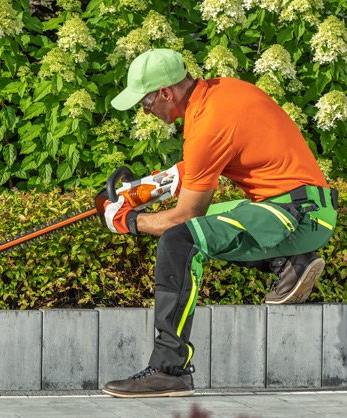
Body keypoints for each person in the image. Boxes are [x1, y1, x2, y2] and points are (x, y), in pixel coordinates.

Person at [101, 48, 338, 398]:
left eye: (145, 102)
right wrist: (139, 191)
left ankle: (169, 370)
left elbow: (185, 215)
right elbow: (200, 166)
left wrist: (128, 222)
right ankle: (289, 261)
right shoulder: (221, 93)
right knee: (211, 226)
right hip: (296, 207)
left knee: (181, 239)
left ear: (166, 93)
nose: (145, 111)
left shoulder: (207, 125)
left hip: (297, 215)